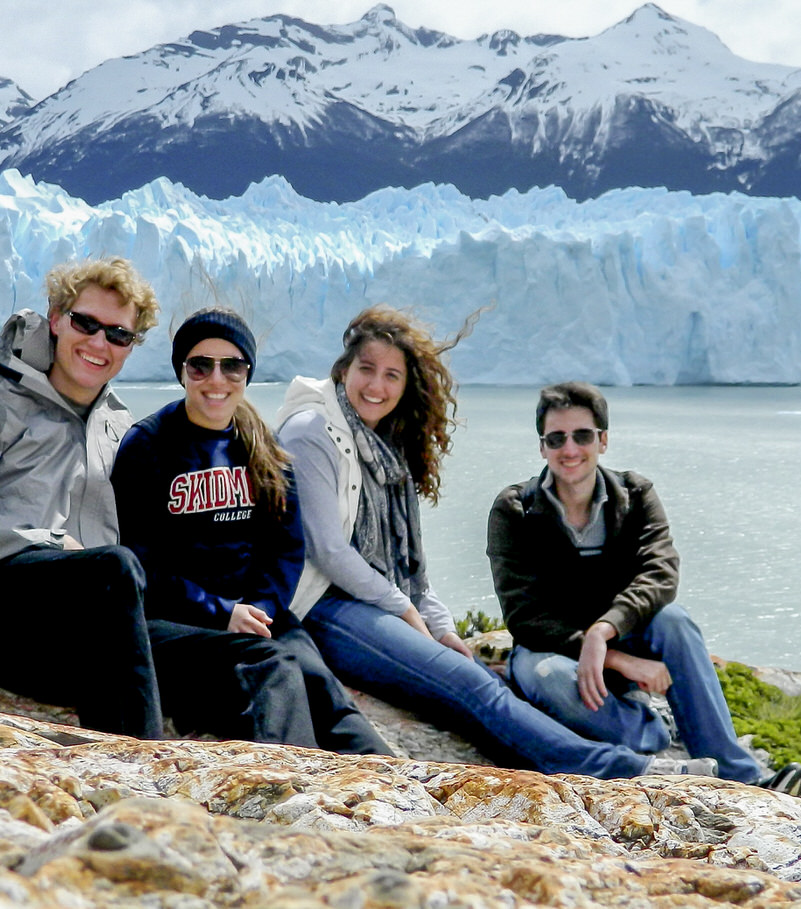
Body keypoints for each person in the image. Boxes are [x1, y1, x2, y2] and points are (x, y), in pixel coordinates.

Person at [276, 306, 685, 779]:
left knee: (472, 673)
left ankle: (626, 748)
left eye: (392, 375)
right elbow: (328, 551)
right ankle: (624, 770)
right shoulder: (313, 432)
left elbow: (407, 565)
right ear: (343, 369)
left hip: (366, 603)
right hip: (324, 608)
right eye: (366, 369)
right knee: (473, 688)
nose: (376, 386)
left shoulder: (381, 443)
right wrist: (406, 613)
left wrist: (441, 626)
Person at [487, 380, 801, 795]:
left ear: (602, 440)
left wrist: (605, 631)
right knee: (547, 676)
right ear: (542, 447)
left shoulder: (634, 494)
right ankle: (650, 734)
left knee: (673, 621)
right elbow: (524, 616)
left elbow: (660, 572)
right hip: (553, 651)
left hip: (620, 635)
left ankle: (740, 775)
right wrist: (619, 660)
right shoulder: (516, 509)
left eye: (582, 435)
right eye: (556, 438)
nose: (570, 449)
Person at [0, 256, 163, 739]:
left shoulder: (119, 427)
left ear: (131, 346)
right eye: (86, 322)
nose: (99, 342)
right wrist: (51, 544)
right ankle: (141, 778)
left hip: (82, 617)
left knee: (253, 658)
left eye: (118, 334)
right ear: (57, 318)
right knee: (112, 572)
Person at [111, 308, 390, 755]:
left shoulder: (264, 449)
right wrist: (223, 613)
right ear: (182, 371)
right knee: (275, 671)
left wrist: (257, 610)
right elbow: (141, 564)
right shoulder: (148, 445)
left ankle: (391, 797)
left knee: (326, 694)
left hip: (258, 618)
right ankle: (287, 791)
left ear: (247, 373)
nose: (216, 380)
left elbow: (285, 550)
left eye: (232, 366)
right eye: (200, 365)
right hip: (182, 625)